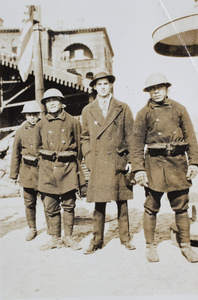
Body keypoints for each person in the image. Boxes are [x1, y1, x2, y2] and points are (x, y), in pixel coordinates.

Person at [131, 73, 198, 263]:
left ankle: (185, 245)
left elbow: (191, 138)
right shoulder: (143, 113)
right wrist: (139, 170)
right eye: (152, 89)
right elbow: (136, 144)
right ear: (148, 92)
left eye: (159, 88)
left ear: (166, 88)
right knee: (151, 206)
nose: (156, 92)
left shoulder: (179, 109)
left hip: (177, 163)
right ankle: (150, 246)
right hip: (154, 164)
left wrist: (194, 162)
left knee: (181, 206)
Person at [81, 71, 136, 254]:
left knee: (122, 202)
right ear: (95, 87)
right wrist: (89, 158)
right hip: (98, 162)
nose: (103, 87)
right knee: (99, 204)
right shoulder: (88, 110)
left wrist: (130, 160)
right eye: (99, 84)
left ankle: (125, 238)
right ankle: (96, 240)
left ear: (110, 85)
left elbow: (131, 136)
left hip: (118, 160)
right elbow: (85, 138)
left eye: (106, 83)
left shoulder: (122, 107)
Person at [34, 88, 86, 251]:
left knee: (69, 204)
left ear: (62, 102)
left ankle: (68, 237)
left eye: (54, 100)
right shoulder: (40, 123)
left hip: (68, 168)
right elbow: (37, 148)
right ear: (45, 105)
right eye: (48, 101)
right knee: (50, 205)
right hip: (48, 169)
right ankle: (55, 238)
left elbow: (79, 147)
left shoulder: (72, 122)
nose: (51, 104)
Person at [10, 101, 42, 241]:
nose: (32, 118)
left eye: (35, 115)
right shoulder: (21, 131)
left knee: (48, 201)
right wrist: (13, 174)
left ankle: (53, 228)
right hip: (27, 171)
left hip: (43, 171)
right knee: (29, 202)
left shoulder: (44, 127)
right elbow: (15, 153)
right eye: (29, 115)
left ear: (38, 115)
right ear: (25, 116)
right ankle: (32, 228)